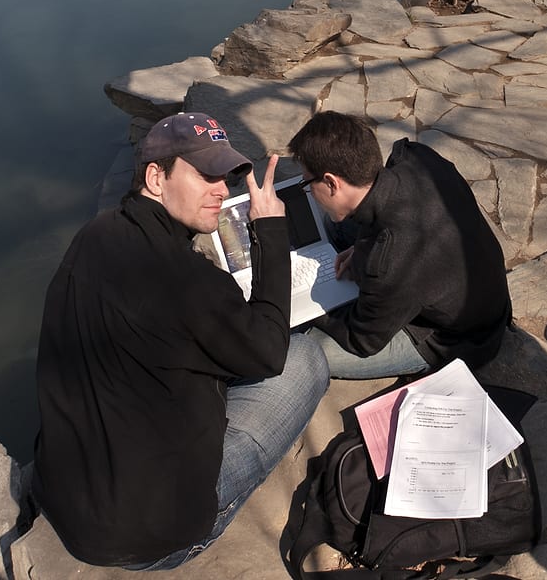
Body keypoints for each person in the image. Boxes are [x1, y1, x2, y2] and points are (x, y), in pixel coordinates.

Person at [24, 112, 329, 570]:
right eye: (206, 176)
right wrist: (268, 229)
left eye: (224, 177)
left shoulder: (94, 236)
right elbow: (268, 351)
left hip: (66, 500)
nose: (223, 190)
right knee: (304, 356)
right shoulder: (190, 283)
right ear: (155, 176)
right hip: (151, 536)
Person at [287, 112, 512, 379]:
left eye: (307, 183)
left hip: (455, 338)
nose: (309, 191)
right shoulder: (417, 156)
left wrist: (307, 311)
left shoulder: (391, 262)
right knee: (337, 223)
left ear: (331, 182)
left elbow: (362, 341)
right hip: (477, 293)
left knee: (307, 350)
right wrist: (361, 248)